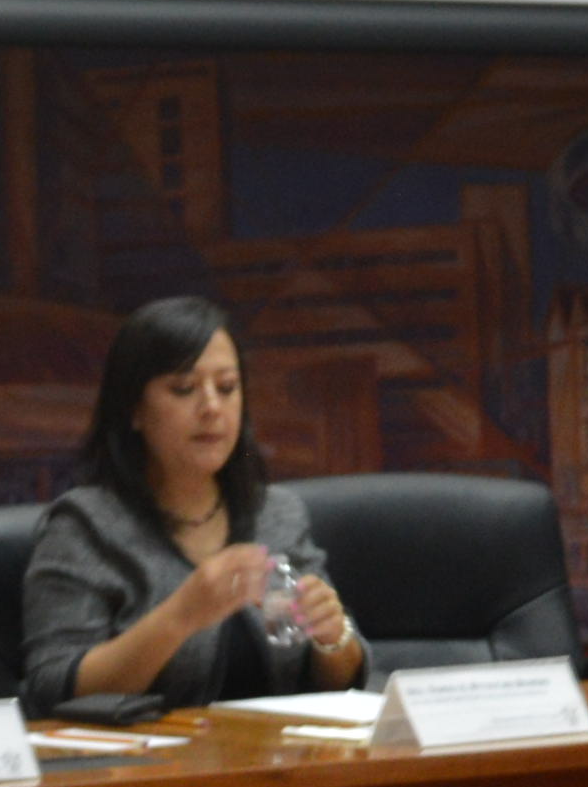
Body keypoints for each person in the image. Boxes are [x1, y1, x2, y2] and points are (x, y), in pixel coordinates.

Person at [21, 295, 369, 710]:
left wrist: (333, 639)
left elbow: (345, 677)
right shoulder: (85, 527)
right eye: (184, 389)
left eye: (227, 388)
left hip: (282, 759)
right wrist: (181, 615)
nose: (212, 408)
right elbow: (52, 685)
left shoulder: (276, 514)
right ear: (134, 409)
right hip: (152, 768)